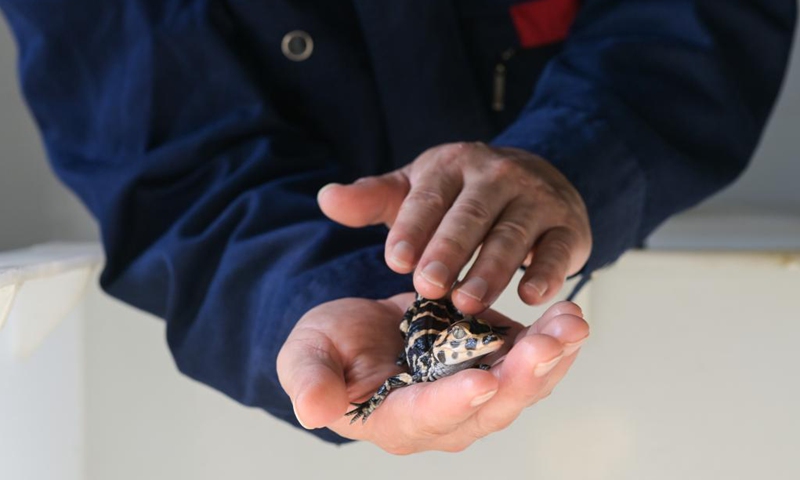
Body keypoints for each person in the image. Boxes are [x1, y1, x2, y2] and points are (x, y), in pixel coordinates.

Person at [0, 0, 795, 453]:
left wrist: (574, 160)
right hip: (306, 339)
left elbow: (697, 21)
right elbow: (162, 157)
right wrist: (301, 298)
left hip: (597, 242)